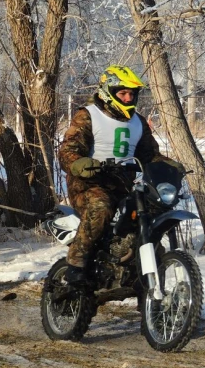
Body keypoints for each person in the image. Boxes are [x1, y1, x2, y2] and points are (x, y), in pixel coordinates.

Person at [58, 65, 185, 284]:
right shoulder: (87, 115)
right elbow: (68, 150)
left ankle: (151, 296)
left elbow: (149, 155)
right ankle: (76, 262)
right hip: (88, 184)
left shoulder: (139, 121)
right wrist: (79, 163)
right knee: (101, 205)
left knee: (152, 211)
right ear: (109, 91)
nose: (128, 98)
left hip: (125, 184)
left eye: (131, 94)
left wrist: (171, 165)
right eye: (122, 93)